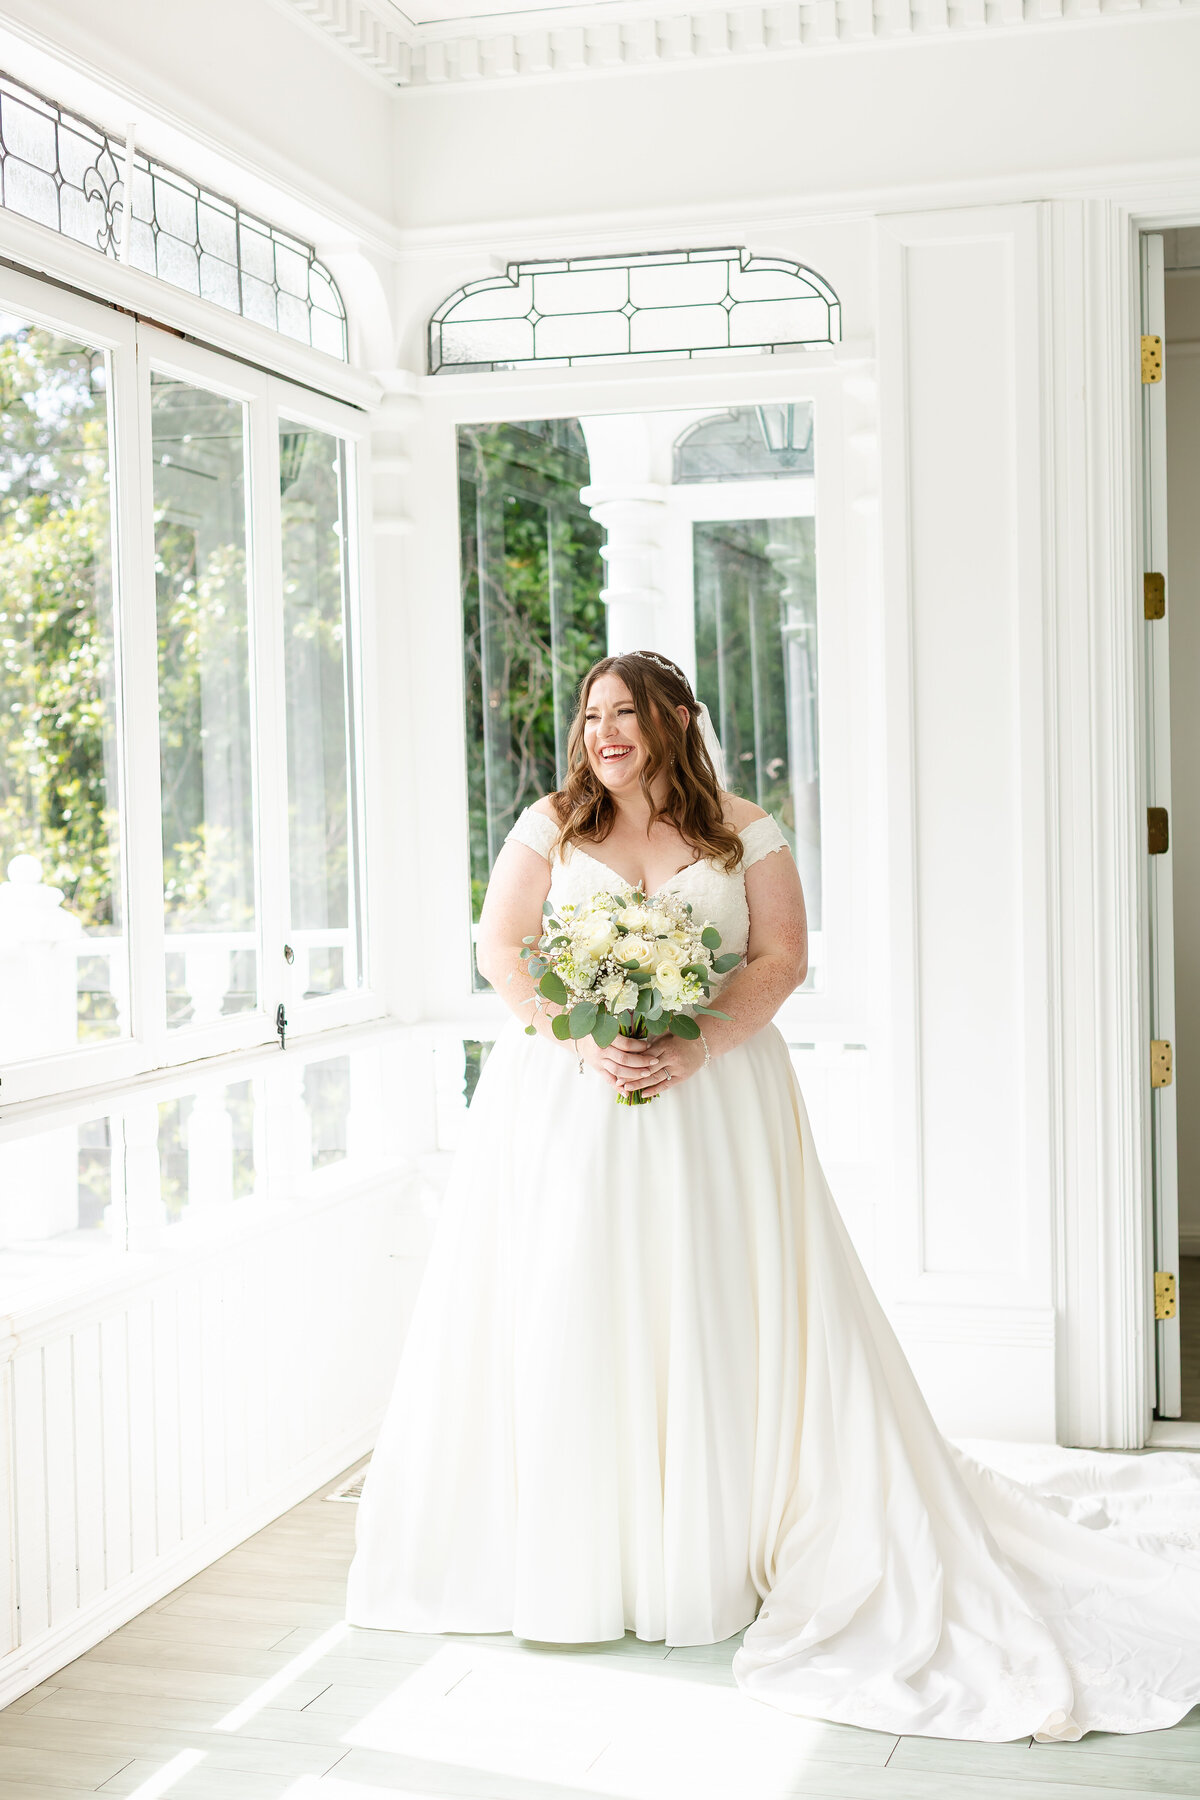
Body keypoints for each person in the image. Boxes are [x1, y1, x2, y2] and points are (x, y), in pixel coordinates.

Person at [346, 649, 1200, 1743]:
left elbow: (781, 959)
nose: (605, 732)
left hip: (719, 1101)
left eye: (628, 713)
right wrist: (582, 1038)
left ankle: (717, 1536)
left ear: (676, 722)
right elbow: (503, 950)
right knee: (574, 1302)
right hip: (566, 1102)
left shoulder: (744, 829)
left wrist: (693, 1043)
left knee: (717, 1299)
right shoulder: (550, 824)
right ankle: (585, 1553)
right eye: (592, 713)